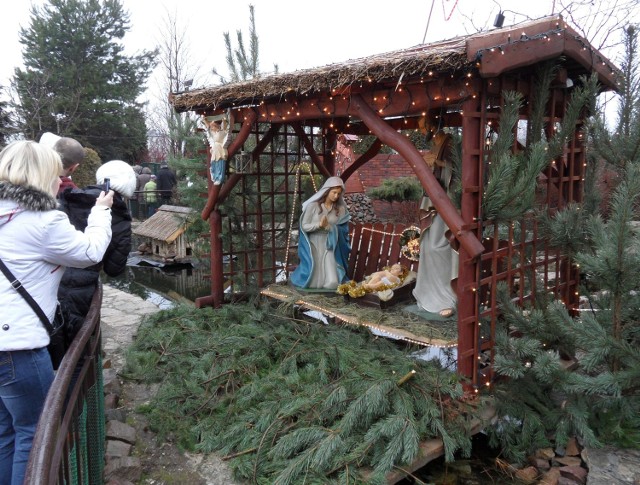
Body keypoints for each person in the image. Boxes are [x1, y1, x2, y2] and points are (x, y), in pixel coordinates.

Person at [0, 140, 113, 485]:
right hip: (18, 350)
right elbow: (91, 252)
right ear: (43, 175)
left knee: (5, 434)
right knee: (35, 438)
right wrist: (101, 211)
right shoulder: (43, 221)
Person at [57, 160, 135, 342]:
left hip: (52, 281)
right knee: (79, 349)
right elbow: (114, 269)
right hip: (81, 289)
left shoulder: (71, 197)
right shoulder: (118, 214)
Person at [412, 131, 459, 318]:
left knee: (437, 247)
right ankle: (427, 292)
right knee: (427, 246)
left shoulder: (451, 145)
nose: (423, 130)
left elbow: (455, 171)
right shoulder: (436, 146)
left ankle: (446, 297)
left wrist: (437, 164)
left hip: (447, 203)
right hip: (434, 202)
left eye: (424, 125)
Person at [290, 176, 351, 290]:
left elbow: (344, 229)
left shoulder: (341, 209)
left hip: (331, 245)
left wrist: (330, 228)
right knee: (314, 282)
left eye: (339, 193)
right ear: (327, 191)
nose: (336, 196)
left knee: (333, 282)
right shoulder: (313, 206)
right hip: (314, 243)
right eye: (334, 192)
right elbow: (304, 226)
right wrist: (319, 225)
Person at [200, 115, 229, 185]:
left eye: (213, 126)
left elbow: (225, 128)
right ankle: (215, 177)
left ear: (216, 126)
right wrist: (204, 120)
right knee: (214, 164)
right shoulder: (213, 134)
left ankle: (219, 178)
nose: (212, 128)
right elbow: (208, 128)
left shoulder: (222, 132)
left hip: (220, 149)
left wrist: (224, 121)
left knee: (220, 164)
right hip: (214, 151)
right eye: (212, 127)